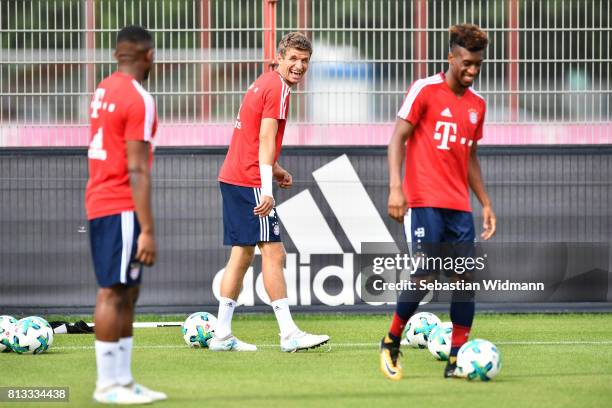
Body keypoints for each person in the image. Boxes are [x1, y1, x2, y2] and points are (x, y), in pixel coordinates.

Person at [379, 24, 497, 380]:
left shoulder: (478, 105)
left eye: (477, 64)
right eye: (466, 63)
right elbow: (397, 139)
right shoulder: (425, 90)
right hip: (423, 199)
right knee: (425, 272)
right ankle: (391, 341)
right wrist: (395, 188)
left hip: (459, 206)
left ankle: (456, 360)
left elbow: (470, 157)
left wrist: (486, 203)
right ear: (451, 57)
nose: (472, 71)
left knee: (464, 281)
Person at [212, 32, 329, 352]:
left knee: (242, 253)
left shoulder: (265, 82)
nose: (299, 66)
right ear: (279, 58)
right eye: (293, 58)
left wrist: (275, 170)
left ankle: (221, 335)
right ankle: (289, 334)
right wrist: (266, 188)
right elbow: (264, 138)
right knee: (274, 253)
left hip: (234, 176)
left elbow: (253, 137)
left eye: (304, 61)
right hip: (249, 181)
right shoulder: (277, 88)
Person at [85, 25, 167, 404]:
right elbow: (137, 169)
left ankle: (124, 380)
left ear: (118, 54)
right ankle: (107, 385)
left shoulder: (104, 88)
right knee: (113, 292)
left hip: (102, 198)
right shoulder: (139, 97)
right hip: (120, 203)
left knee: (128, 291)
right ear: (148, 55)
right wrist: (147, 228)